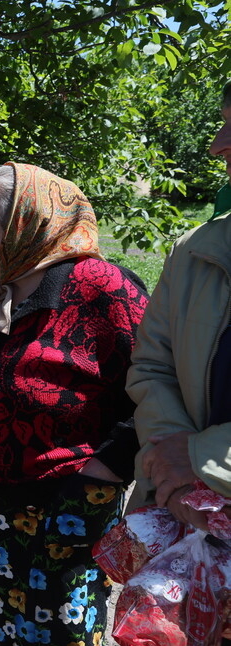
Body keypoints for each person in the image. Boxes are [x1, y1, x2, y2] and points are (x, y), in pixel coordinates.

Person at [0, 162, 148, 646]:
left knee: (58, 634)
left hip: (65, 503)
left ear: (28, 221)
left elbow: (158, 385)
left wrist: (108, 467)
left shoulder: (100, 287)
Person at [128, 83, 231, 532]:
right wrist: (177, 470)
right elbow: (152, 367)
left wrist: (201, 461)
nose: (216, 146)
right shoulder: (193, 250)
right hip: (185, 514)